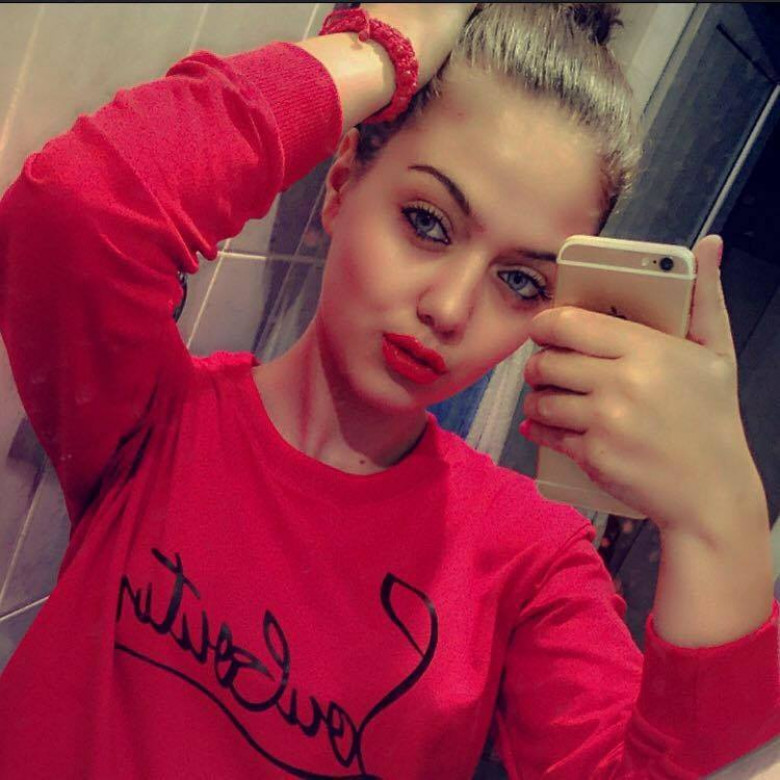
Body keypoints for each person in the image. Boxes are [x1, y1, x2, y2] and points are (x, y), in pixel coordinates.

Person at [0, 2, 777, 778]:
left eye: (519, 281)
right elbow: (75, 204)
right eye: (427, 222)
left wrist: (720, 519)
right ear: (341, 184)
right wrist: (378, 51)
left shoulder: (529, 566)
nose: (450, 309)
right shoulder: (154, 418)